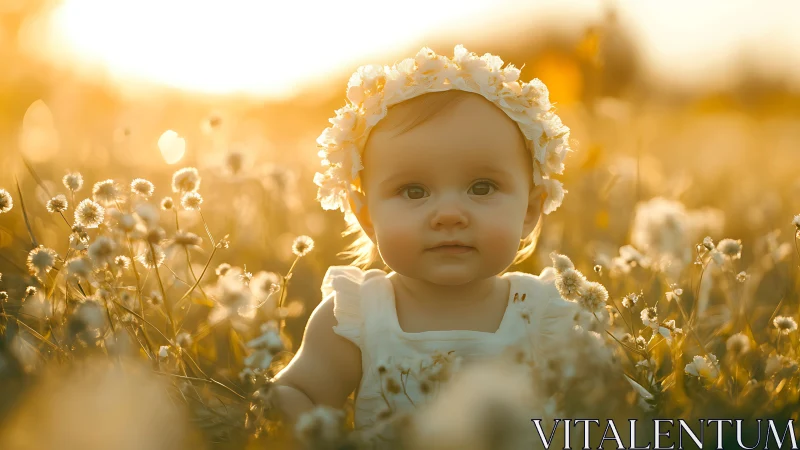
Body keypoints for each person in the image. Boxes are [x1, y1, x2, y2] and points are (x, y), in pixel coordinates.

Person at [271, 45, 582, 443]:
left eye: (481, 187)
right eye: (414, 191)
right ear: (367, 216)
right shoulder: (358, 317)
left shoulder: (543, 316)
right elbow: (297, 393)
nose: (449, 214)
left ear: (530, 210)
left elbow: (603, 407)